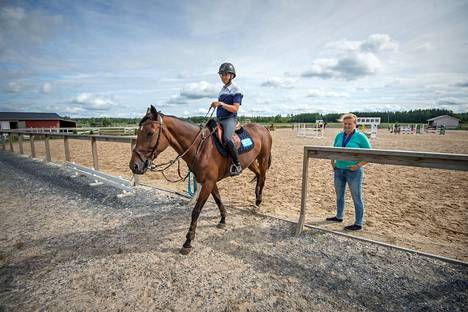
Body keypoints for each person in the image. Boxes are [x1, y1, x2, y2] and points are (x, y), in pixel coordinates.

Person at [326, 113, 372, 231]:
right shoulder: (339, 135)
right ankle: (339, 216)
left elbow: (370, 154)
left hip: (353, 172)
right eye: (345, 123)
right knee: (339, 196)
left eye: (349, 124)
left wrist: (358, 166)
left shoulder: (360, 137)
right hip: (339, 170)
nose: (347, 126)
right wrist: (332, 162)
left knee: (356, 197)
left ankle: (358, 223)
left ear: (355, 124)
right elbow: (333, 149)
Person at [211, 62, 243, 176]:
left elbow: (235, 108)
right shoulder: (222, 89)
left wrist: (220, 103)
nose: (223, 77)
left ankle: (237, 164)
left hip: (229, 119)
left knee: (227, 139)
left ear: (232, 76)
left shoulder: (236, 89)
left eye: (226, 75)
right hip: (219, 119)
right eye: (222, 75)